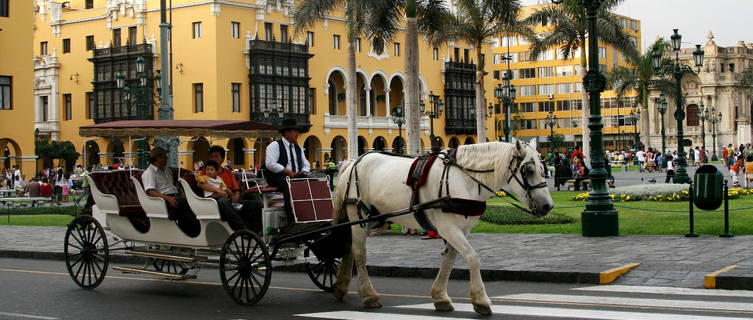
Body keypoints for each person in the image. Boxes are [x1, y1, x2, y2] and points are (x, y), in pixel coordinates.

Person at [200, 146, 263, 232]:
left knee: (256, 204)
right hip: (214, 200)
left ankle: (257, 231)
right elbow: (201, 184)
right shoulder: (206, 171)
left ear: (222, 159)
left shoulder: (228, 173)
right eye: (211, 156)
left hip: (230, 199)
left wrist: (236, 196)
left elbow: (236, 189)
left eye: (216, 156)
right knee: (223, 201)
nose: (213, 159)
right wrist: (219, 191)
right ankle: (242, 229)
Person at [142, 147, 200, 235]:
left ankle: (188, 231)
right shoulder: (149, 173)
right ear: (158, 158)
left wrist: (190, 172)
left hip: (175, 195)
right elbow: (151, 192)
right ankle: (195, 231)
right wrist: (168, 198)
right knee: (185, 203)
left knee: (192, 200)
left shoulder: (166, 169)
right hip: (163, 199)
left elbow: (175, 169)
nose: (167, 158)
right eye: (165, 156)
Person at [265, 118, 311, 224]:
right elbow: (270, 163)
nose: (297, 134)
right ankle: (291, 219)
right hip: (278, 177)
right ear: (286, 132)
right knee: (289, 186)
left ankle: (310, 214)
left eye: (297, 132)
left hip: (295, 176)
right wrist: (287, 171)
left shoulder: (298, 148)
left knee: (313, 183)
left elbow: (306, 163)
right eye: (295, 131)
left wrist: (303, 171)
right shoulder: (275, 145)